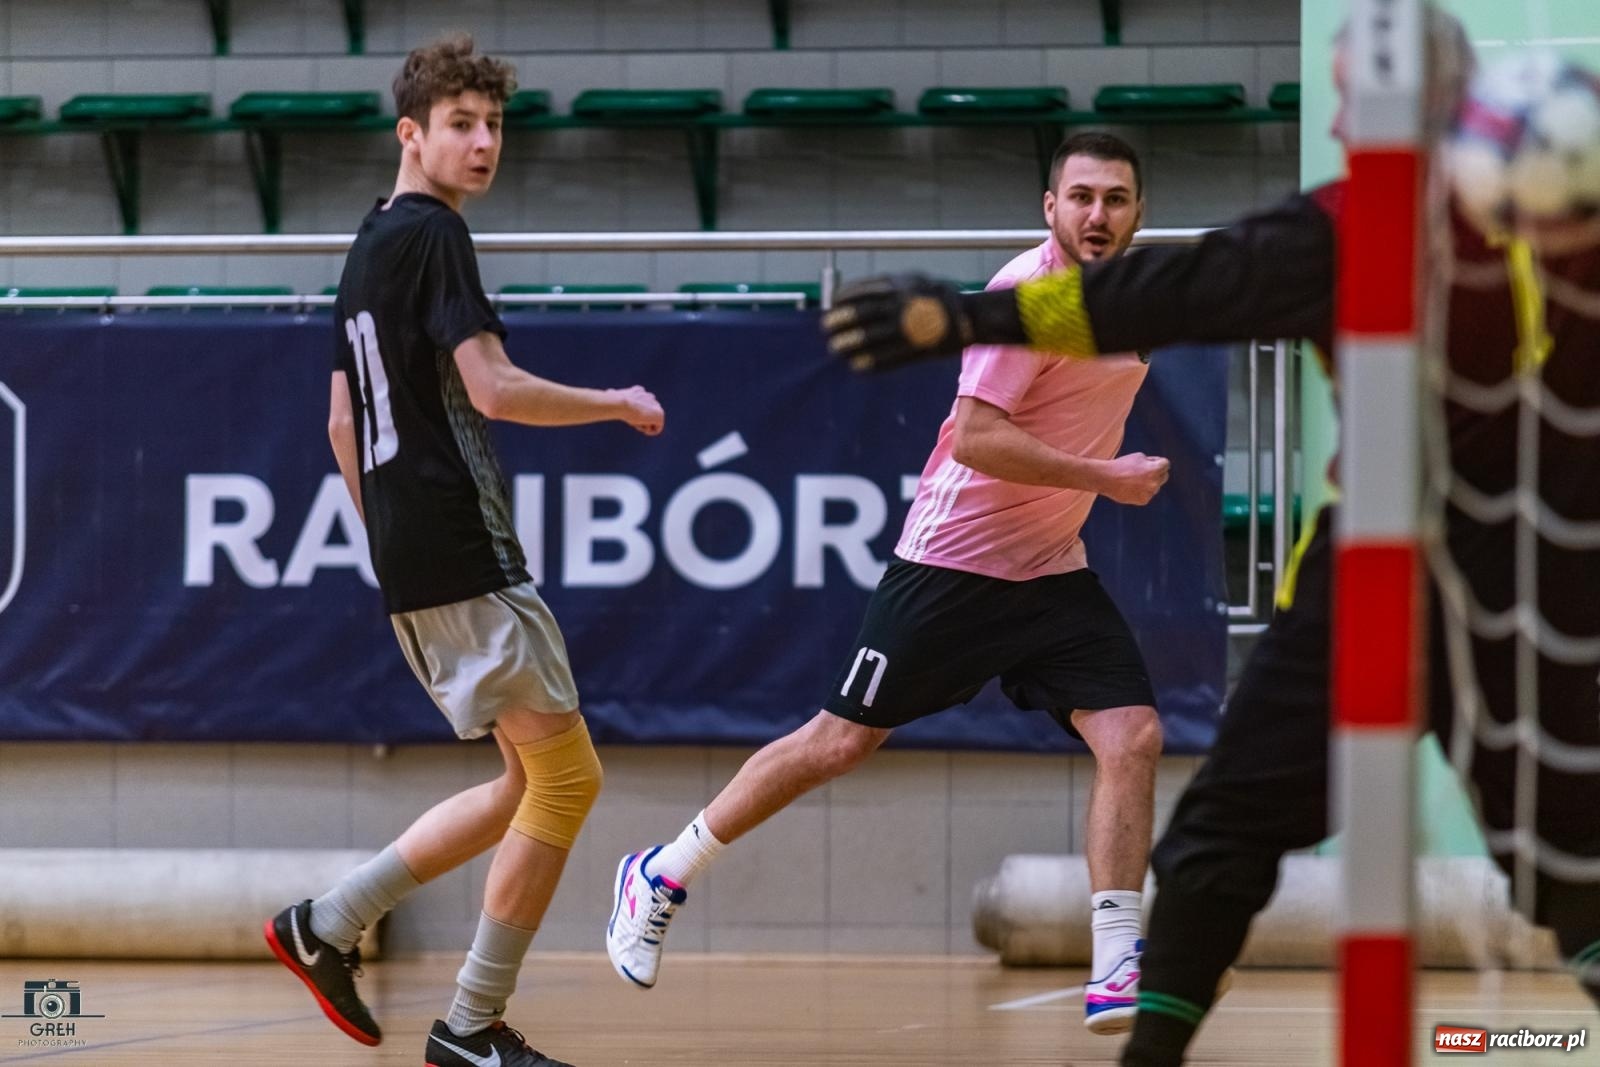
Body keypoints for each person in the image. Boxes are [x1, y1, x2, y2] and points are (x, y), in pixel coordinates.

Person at [824, 15, 1600, 1067]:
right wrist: (971, 318)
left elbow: (1164, 292)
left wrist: (960, 319)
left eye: (1349, 97)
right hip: (1506, 586)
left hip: (1404, 578)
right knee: (1544, 860)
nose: (1336, 115)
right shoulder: (1376, 227)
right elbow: (1158, 290)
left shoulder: (1358, 220)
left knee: (1221, 848)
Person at [604, 132, 1170, 1036]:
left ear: (1140, 213)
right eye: (1082, 198)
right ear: (1050, 209)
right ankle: (663, 871)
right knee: (836, 744)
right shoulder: (1026, 300)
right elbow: (977, 436)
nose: (1098, 215)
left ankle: (1116, 959)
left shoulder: (1136, 302)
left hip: (1053, 571)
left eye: (1116, 199)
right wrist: (1107, 480)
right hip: (950, 567)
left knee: (1133, 735)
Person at [263, 34, 664, 1067]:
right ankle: (470, 1023)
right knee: (567, 783)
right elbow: (492, 389)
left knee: (528, 781)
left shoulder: (367, 242)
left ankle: (324, 921)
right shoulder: (434, 233)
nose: (484, 143)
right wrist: (615, 403)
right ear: (412, 133)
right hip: (458, 545)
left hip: (412, 555)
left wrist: (389, 538)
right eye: (461, 124)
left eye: (494, 125)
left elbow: (340, 426)